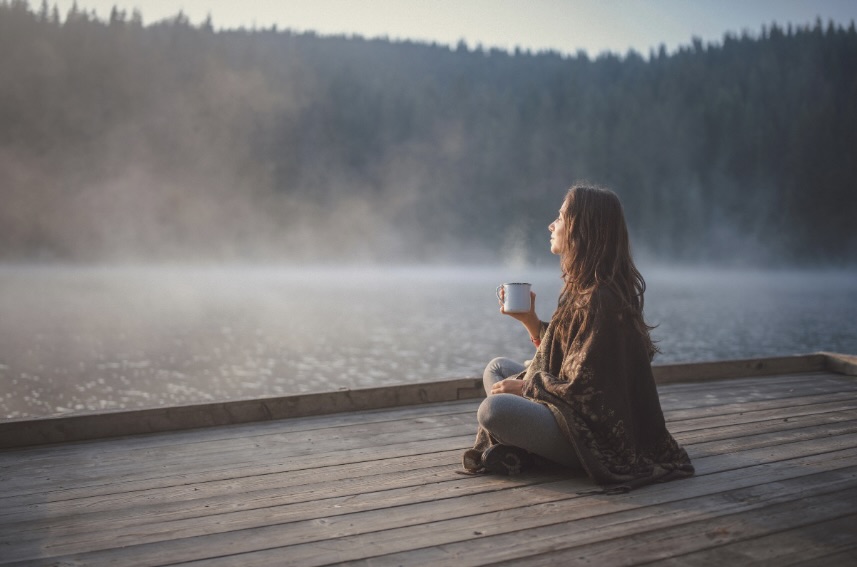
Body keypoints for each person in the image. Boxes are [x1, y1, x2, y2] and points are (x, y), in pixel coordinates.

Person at [462, 184, 694, 490]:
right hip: (570, 410)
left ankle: (526, 450)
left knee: (494, 410)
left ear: (581, 228)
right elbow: (569, 355)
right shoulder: (584, 288)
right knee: (497, 369)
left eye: (560, 217)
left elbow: (587, 390)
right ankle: (523, 445)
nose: (551, 224)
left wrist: (527, 387)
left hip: (596, 437)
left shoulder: (602, 299)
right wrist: (530, 321)